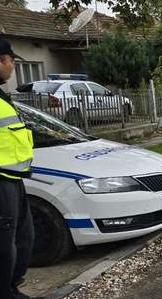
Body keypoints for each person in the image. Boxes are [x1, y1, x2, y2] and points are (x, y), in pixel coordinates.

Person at [0, 38, 35, 299]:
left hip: (13, 179)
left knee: (23, 237)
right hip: (1, 181)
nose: (12, 67)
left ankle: (11, 287)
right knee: (4, 243)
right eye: (11, 61)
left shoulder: (3, 97)